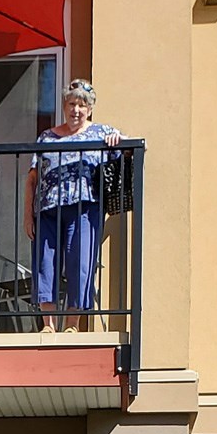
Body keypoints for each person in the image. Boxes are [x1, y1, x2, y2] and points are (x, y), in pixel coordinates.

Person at [24, 79, 127, 333]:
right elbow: (32, 178)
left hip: (85, 208)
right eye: (71, 104)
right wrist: (28, 214)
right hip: (48, 209)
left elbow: (132, 149)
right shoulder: (47, 137)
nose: (76, 110)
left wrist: (120, 140)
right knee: (44, 262)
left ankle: (72, 323)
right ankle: (47, 325)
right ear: (64, 106)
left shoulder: (100, 133)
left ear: (90, 109)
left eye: (82, 105)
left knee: (80, 261)